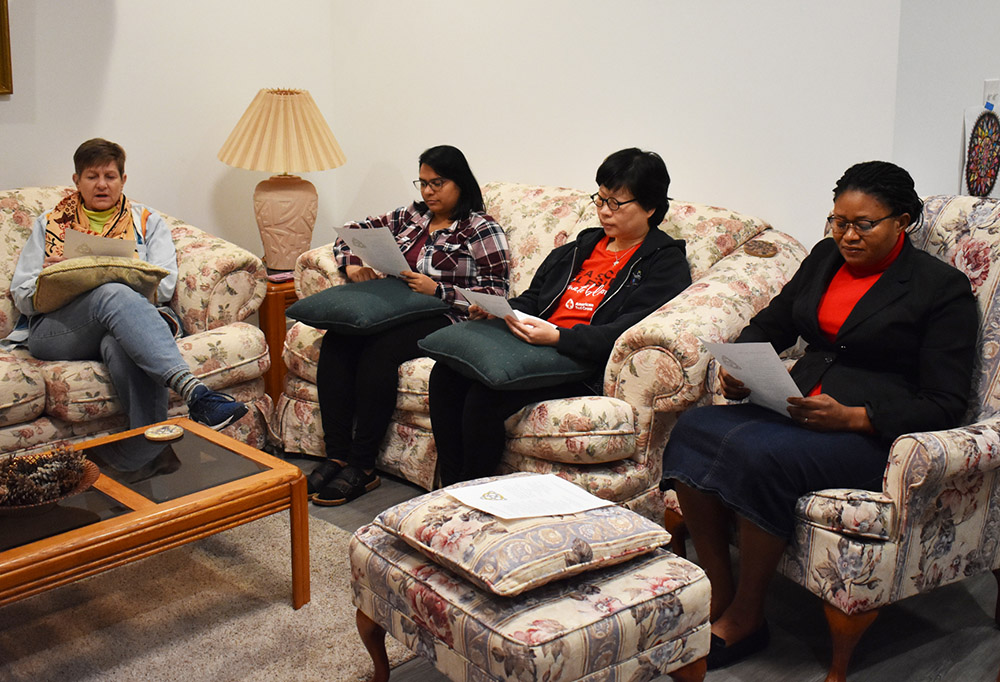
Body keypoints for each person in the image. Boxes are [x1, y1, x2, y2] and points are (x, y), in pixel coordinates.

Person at [660, 160, 978, 669]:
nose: (848, 235)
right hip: (798, 405)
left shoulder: (940, 289)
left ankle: (746, 618)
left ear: (903, 221)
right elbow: (775, 321)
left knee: (764, 458)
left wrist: (854, 416)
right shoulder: (825, 257)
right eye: (838, 221)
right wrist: (741, 363)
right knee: (695, 428)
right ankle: (720, 591)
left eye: (863, 224)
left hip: (869, 434)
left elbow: (944, 401)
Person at [428, 147, 692, 486]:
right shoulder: (579, 248)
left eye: (616, 203)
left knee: (485, 396)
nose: (604, 212)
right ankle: (447, 487)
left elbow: (626, 331)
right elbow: (534, 299)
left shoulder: (663, 263)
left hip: (577, 358)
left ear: (651, 208)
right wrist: (499, 311)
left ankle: (470, 490)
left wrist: (558, 337)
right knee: (445, 375)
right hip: (534, 345)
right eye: (600, 199)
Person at [309, 145, 510, 506]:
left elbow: (497, 293)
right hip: (393, 306)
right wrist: (352, 263)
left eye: (438, 183)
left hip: (444, 315)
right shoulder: (409, 216)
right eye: (423, 183)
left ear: (460, 183)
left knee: (379, 353)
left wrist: (441, 289)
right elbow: (349, 233)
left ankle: (362, 466)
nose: (429, 192)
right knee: (337, 340)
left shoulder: (480, 228)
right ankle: (336, 455)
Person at [8, 138, 248, 431]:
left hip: (126, 323)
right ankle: (194, 392)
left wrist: (116, 271)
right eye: (92, 176)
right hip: (58, 331)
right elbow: (22, 294)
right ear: (76, 180)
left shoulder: (147, 222)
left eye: (109, 176)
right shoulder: (51, 223)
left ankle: (148, 456)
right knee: (111, 291)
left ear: (123, 180)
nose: (101, 185)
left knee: (119, 343)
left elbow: (165, 285)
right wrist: (54, 279)